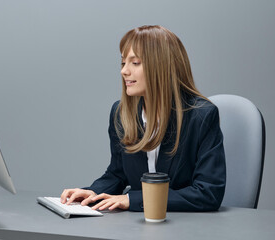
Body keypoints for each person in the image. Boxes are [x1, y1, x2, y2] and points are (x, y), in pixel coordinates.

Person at [60, 25, 226, 212]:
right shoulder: (121, 113)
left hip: (186, 227)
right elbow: (117, 173)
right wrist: (93, 192)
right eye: (123, 63)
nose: (124, 71)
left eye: (135, 63)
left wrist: (133, 200)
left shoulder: (202, 116)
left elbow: (208, 193)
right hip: (137, 228)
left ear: (162, 66)